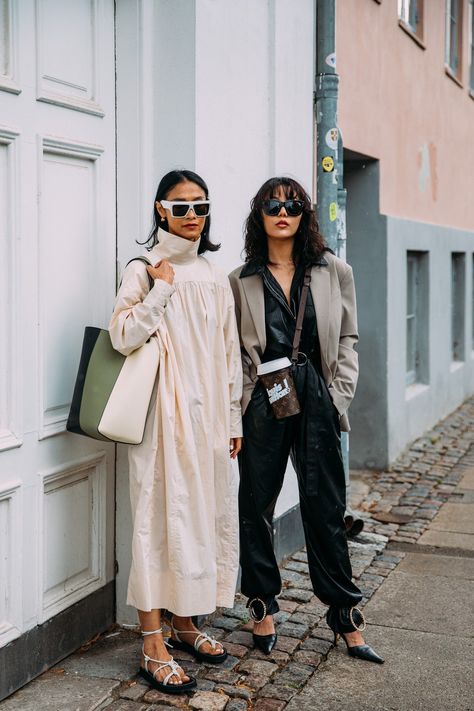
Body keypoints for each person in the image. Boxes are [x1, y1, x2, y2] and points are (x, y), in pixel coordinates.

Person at [229, 176, 383, 664]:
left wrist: (338, 396)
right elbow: (233, 352)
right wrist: (240, 407)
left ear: (304, 215)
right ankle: (261, 604)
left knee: (325, 507)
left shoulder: (333, 271)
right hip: (265, 394)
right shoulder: (241, 279)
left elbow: (348, 339)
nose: (283, 212)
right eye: (273, 204)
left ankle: (345, 615)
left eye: (293, 205)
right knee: (256, 502)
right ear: (260, 213)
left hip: (316, 393)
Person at [109, 169, 243, 693]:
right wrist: (160, 291)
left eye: (200, 205)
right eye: (181, 206)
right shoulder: (144, 269)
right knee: (157, 519)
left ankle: (185, 623)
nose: (192, 215)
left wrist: (231, 419)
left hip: (208, 418)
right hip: (161, 417)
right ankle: (151, 641)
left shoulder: (213, 274)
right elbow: (122, 335)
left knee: (201, 517)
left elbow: (227, 354)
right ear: (161, 210)